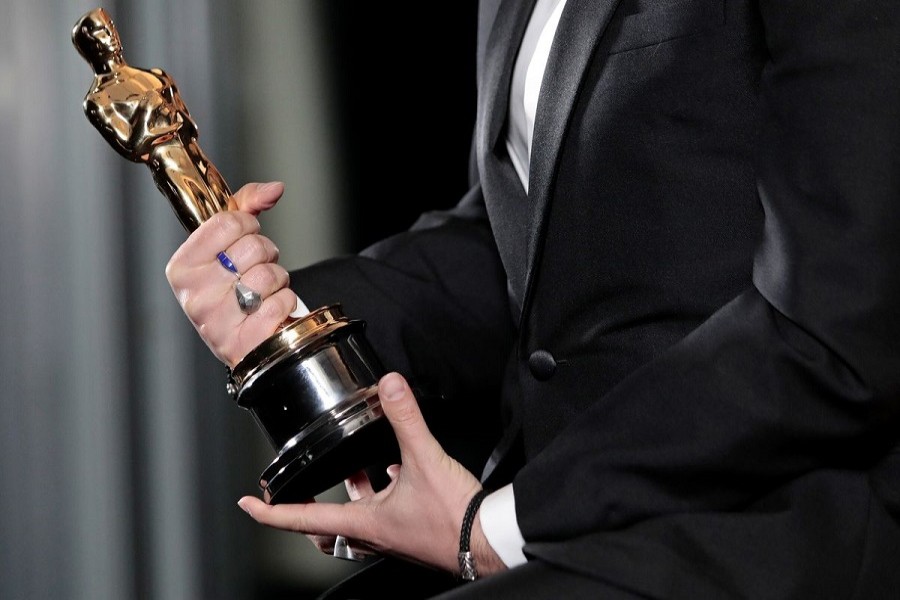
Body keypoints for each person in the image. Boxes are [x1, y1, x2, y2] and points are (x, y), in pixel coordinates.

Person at [166, 0, 900, 597]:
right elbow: (522, 240)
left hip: (781, 512)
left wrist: (502, 526)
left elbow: (833, 327)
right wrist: (282, 313)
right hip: (586, 511)